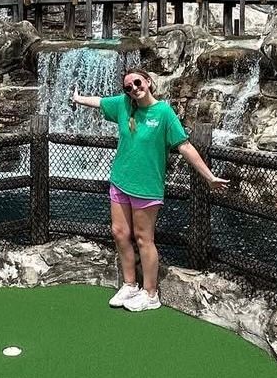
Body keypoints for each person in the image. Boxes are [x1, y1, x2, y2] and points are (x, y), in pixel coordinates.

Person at [70, 66, 228, 312]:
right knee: (119, 233)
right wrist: (78, 99)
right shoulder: (123, 104)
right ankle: (130, 284)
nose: (134, 88)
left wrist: (209, 176)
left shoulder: (164, 112)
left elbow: (184, 146)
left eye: (137, 83)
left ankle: (151, 293)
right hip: (120, 181)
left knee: (145, 239)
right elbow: (99, 102)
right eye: (128, 87)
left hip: (147, 187)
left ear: (148, 82)